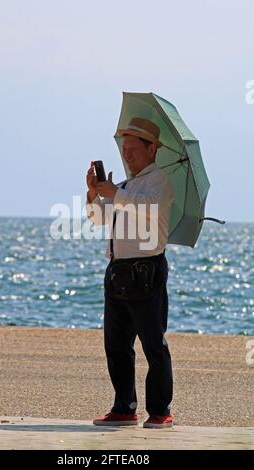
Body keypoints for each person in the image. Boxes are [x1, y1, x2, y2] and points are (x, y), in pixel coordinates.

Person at [85, 117, 175, 429]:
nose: (127, 154)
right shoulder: (125, 186)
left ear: (152, 149)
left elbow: (148, 208)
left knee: (153, 344)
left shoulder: (160, 181)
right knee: (115, 345)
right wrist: (93, 194)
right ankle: (125, 407)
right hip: (118, 272)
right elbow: (98, 218)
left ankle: (160, 410)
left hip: (147, 270)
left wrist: (115, 193)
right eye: (124, 149)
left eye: (133, 149)